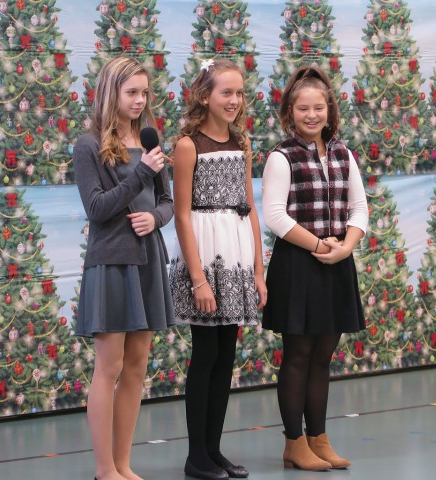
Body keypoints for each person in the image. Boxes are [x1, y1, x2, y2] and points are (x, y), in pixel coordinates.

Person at [261, 65, 368, 471]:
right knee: (299, 354)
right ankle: (294, 442)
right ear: (290, 112)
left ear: (329, 110)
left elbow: (359, 208)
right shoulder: (281, 157)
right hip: (298, 265)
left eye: (318, 108)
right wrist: (320, 245)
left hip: (337, 262)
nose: (311, 115)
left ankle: (319, 438)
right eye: (303, 108)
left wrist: (346, 247)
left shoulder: (343, 153)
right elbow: (275, 217)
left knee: (323, 354)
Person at [73, 56, 174, 480]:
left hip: (148, 260)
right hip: (112, 263)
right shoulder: (88, 145)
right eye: (131, 92)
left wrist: (156, 218)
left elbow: (166, 202)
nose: (140, 100)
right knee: (109, 367)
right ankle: (104, 469)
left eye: (144, 92)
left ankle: (123, 464)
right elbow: (97, 208)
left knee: (136, 367)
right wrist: (140, 176)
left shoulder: (150, 140)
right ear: (110, 92)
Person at [169, 59, 267, 480]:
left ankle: (213, 450)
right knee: (206, 353)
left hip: (237, 253)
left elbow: (250, 207)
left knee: (226, 355)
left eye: (239, 93)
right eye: (226, 92)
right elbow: (182, 215)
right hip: (206, 258)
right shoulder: (188, 145)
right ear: (204, 96)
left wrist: (259, 270)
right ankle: (196, 456)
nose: (234, 100)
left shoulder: (242, 142)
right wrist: (198, 279)